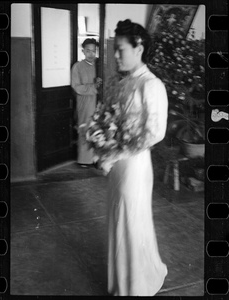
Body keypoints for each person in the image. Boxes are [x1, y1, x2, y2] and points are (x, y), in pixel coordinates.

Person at [104, 20, 168, 296]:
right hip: (118, 165)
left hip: (135, 166)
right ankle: (122, 281)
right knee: (118, 218)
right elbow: (114, 124)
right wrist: (104, 143)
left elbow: (154, 133)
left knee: (131, 221)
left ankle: (137, 286)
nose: (116, 55)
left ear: (138, 48)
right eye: (115, 50)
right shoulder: (124, 83)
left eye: (120, 49)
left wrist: (117, 153)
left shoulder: (151, 85)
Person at [71, 38, 102, 167]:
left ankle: (97, 159)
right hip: (85, 102)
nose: (91, 54)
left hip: (98, 101)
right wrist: (94, 87)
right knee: (85, 128)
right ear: (83, 51)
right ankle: (84, 160)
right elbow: (77, 86)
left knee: (99, 128)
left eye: (93, 51)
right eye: (88, 51)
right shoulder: (77, 66)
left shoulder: (100, 65)